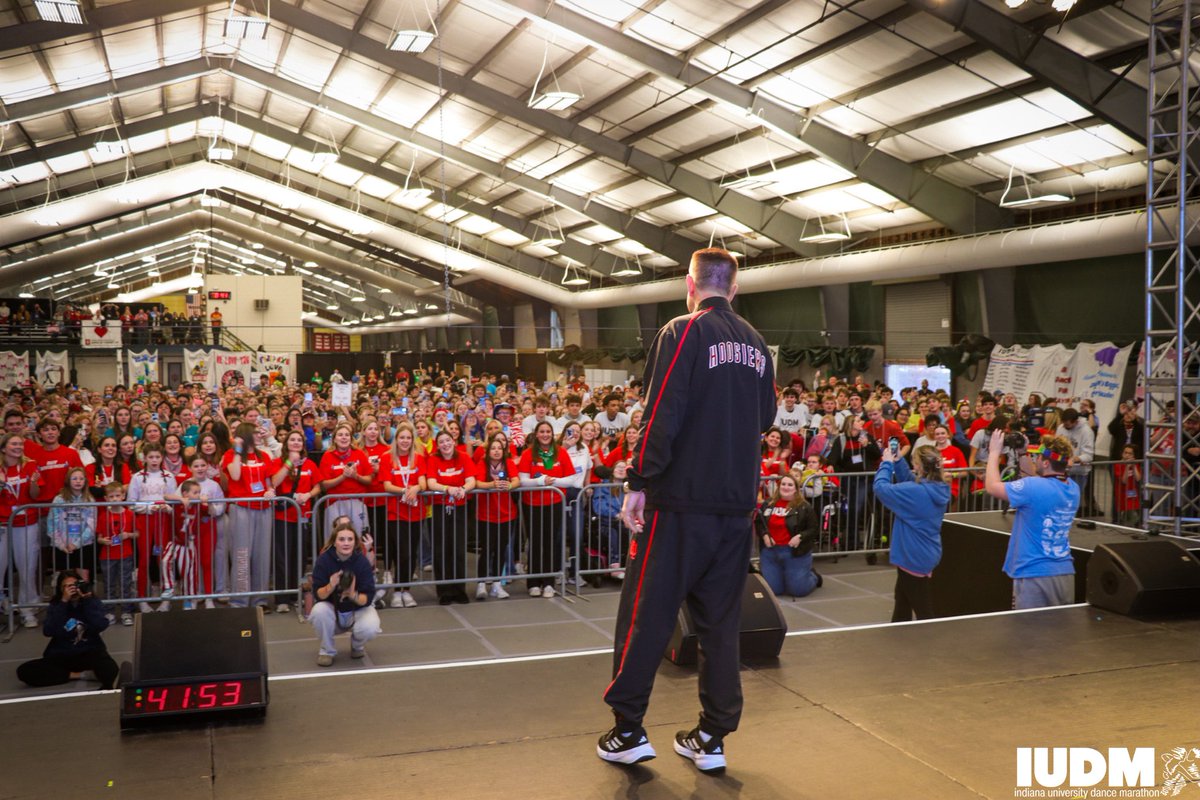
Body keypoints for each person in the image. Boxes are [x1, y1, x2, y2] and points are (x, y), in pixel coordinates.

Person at [598, 247, 775, 775]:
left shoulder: (684, 331)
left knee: (646, 613)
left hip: (679, 504)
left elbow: (662, 408)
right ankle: (711, 736)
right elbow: (764, 416)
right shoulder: (758, 343)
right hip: (735, 505)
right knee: (720, 623)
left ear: (689, 283)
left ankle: (628, 729)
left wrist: (638, 481)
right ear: (735, 288)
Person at [985, 429, 1079, 609]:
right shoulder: (1073, 488)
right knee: (1060, 634)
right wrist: (1022, 454)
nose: (1034, 460)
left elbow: (992, 487)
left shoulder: (1033, 487)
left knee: (1028, 634)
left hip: (1034, 573)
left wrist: (994, 453)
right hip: (1064, 572)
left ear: (1045, 462)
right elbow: (1036, 480)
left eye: (1037, 458)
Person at [873, 445, 950, 621]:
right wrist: (899, 460)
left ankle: (932, 642)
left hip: (913, 555)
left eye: (914, 462)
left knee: (923, 609)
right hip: (924, 551)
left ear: (919, 467)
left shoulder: (916, 492)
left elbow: (881, 488)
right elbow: (911, 481)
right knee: (902, 598)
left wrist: (886, 464)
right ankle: (899, 631)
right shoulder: (937, 487)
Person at [17, 570, 119, 690]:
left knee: (110, 668)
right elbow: (48, 631)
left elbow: (100, 625)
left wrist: (87, 601)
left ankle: (95, 680)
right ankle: (79, 675)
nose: (71, 589)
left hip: (89, 651)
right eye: (66, 586)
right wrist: (63, 602)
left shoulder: (91, 601)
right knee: (25, 671)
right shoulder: (56, 605)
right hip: (62, 654)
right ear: (61, 590)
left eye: (74, 585)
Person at [309, 523, 380, 666]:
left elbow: (368, 598)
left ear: (355, 542)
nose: (346, 543)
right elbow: (318, 595)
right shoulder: (324, 561)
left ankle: (357, 645)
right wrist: (331, 585)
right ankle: (326, 650)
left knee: (371, 626)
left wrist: (352, 594)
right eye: (341, 539)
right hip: (333, 610)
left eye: (350, 539)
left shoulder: (362, 562)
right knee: (318, 611)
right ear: (334, 542)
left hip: (356, 609)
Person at [754, 474, 820, 599]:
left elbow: (813, 528)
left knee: (798, 591)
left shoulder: (804, 506)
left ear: (796, 488)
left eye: (790, 485)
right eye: (783, 484)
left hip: (795, 553)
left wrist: (800, 536)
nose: (786, 487)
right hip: (770, 552)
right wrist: (764, 535)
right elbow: (759, 522)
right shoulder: (768, 504)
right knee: (773, 590)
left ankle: (813, 576)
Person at [474, 432, 520, 600]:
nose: (496, 451)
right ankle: (481, 583)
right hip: (486, 514)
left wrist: (510, 485)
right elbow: (477, 482)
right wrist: (491, 485)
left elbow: (516, 480)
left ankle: (496, 584)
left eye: (499, 448)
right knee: (487, 549)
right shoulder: (482, 463)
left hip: (507, 513)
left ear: (504, 450)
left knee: (501, 549)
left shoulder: (508, 463)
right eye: (493, 448)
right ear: (488, 451)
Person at [96, 481, 137, 626]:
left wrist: (128, 535)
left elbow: (137, 534)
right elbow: (99, 537)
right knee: (109, 584)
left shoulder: (130, 514)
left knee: (125, 583)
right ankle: (109, 611)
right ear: (106, 498)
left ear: (123, 496)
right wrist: (103, 540)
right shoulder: (103, 516)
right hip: (107, 555)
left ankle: (127, 611)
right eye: (111, 496)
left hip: (125, 554)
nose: (114, 499)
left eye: (117, 496)